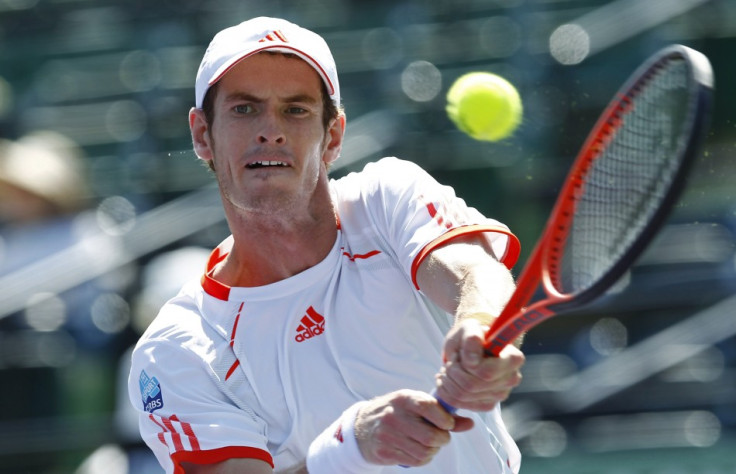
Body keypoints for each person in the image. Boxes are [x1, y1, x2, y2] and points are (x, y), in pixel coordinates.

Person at [128, 16, 525, 474]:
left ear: (333, 136)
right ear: (202, 135)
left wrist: (478, 324)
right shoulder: (177, 349)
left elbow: (474, 271)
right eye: (244, 109)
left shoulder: (386, 194)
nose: (270, 131)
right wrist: (350, 448)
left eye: (295, 110)